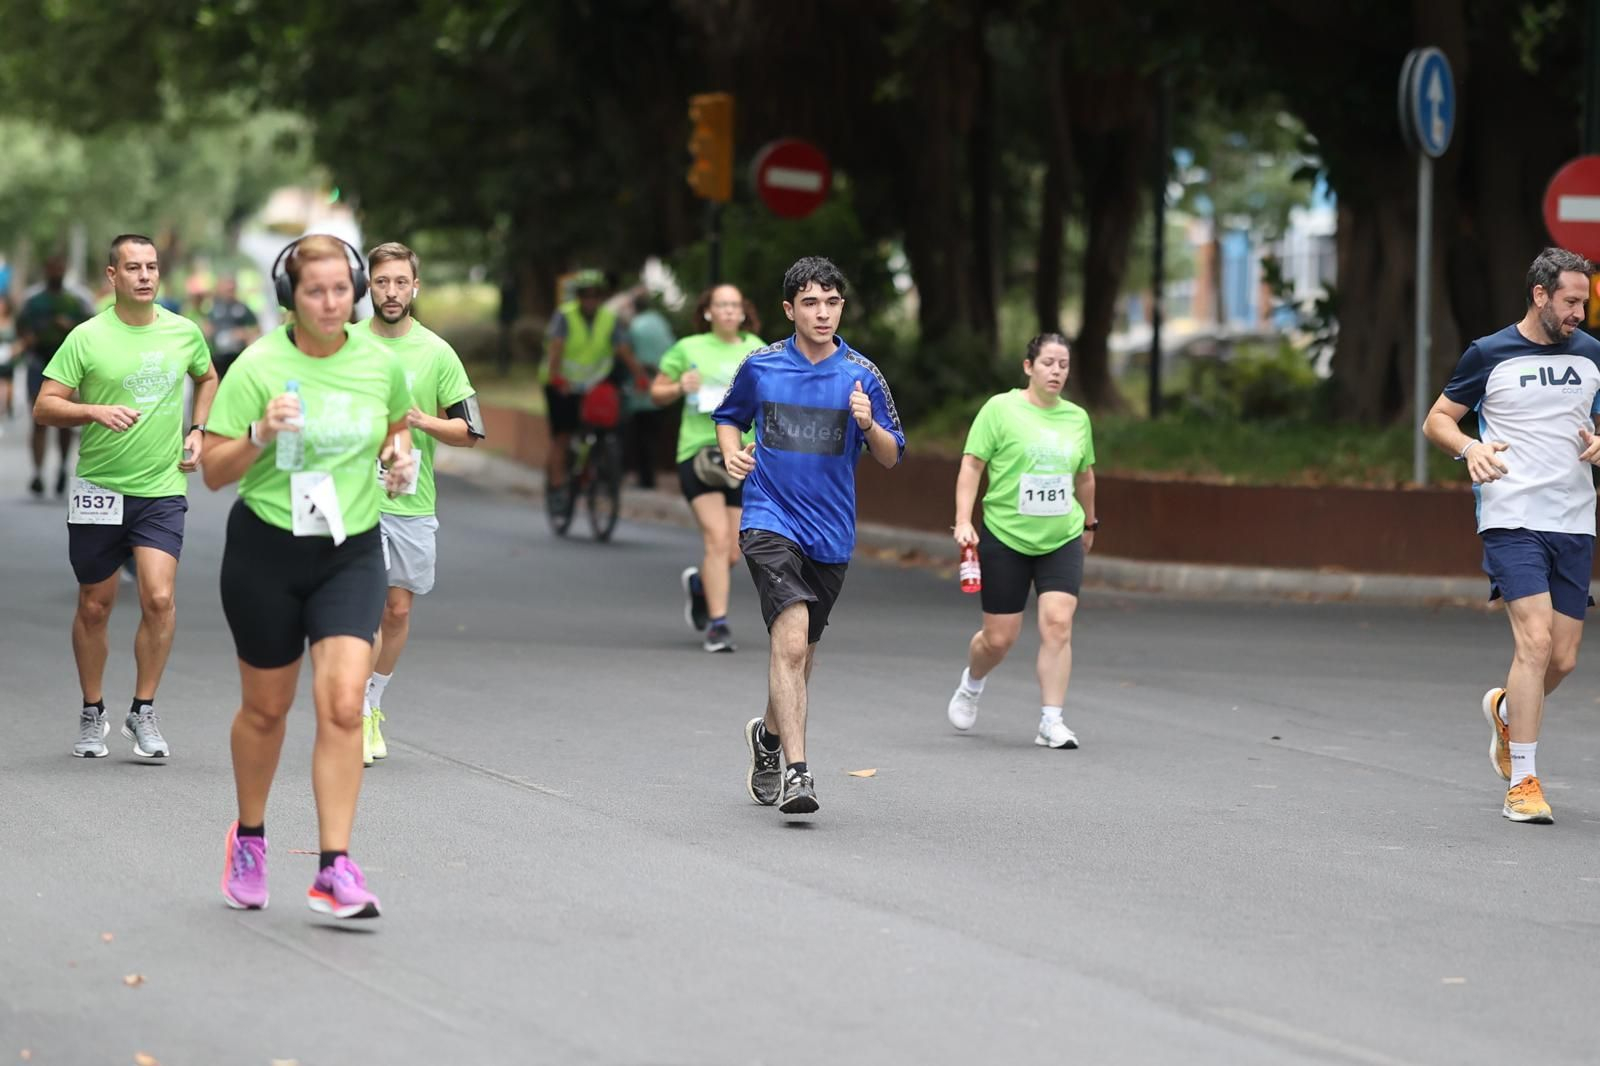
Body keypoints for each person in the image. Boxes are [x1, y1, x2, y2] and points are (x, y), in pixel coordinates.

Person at [202, 234, 415, 918]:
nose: (330, 302)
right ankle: (251, 838)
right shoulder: (257, 366)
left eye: (339, 289)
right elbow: (211, 471)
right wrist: (260, 434)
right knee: (267, 709)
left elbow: (396, 429)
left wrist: (402, 458)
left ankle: (335, 867)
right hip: (266, 549)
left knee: (344, 702)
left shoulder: (380, 363)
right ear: (289, 298)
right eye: (314, 291)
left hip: (349, 548)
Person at [714, 256, 904, 815]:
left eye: (832, 302)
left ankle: (768, 739)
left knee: (800, 653)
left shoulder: (862, 374)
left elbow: (893, 457)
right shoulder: (762, 366)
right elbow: (729, 415)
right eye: (811, 303)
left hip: (831, 532)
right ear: (789, 309)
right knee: (791, 641)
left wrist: (868, 425)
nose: (823, 313)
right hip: (769, 518)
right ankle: (799, 773)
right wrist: (731, 453)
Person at [1423, 246, 1600, 826]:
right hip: (1511, 514)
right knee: (1536, 642)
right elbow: (1438, 419)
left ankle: (1506, 712)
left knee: (1566, 659)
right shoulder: (1490, 353)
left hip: (1574, 520)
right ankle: (1523, 781)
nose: (1580, 312)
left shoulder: (1593, 356)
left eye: (1586, 301)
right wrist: (1471, 448)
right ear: (1540, 294)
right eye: (1571, 301)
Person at [33, 235, 216, 759]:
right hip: (100, 488)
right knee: (95, 605)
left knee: (159, 597)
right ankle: (93, 712)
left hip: (161, 488)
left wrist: (200, 429)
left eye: (152, 267)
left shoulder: (184, 332)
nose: (145, 276)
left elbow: (208, 377)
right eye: (132, 267)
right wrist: (93, 411)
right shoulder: (87, 338)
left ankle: (144, 710)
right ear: (111, 276)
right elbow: (46, 406)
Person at [359, 241, 484, 766]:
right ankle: (354, 715)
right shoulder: (345, 344)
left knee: (397, 607)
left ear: (416, 287)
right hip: (351, 498)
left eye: (400, 283)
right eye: (382, 282)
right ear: (370, 284)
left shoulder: (436, 352)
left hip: (411, 497)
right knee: (363, 605)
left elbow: (471, 429)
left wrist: (421, 420)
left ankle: (372, 700)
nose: (391, 292)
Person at [946, 333, 1098, 749]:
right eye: (1048, 363)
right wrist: (963, 520)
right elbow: (972, 466)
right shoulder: (1000, 409)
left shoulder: (1076, 418)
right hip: (1006, 535)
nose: (1056, 372)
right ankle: (972, 682)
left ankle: (1052, 720)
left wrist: (1089, 523)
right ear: (1028, 367)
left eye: (1064, 365)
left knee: (1058, 624)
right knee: (999, 638)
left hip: (1060, 536)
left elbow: (1084, 476)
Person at [651, 284, 763, 652]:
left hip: (741, 456)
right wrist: (680, 386)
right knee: (716, 539)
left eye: (735, 305)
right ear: (708, 312)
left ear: (744, 312)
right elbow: (656, 391)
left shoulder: (757, 350)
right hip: (698, 454)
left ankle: (701, 584)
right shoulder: (689, 348)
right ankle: (718, 625)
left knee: (733, 551)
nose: (729, 311)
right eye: (722, 305)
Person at [540, 270, 650, 510]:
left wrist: (640, 376)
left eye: (595, 296)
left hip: (593, 383)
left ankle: (599, 466)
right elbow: (555, 349)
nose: (590, 300)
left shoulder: (608, 319)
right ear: (578, 297)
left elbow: (623, 350)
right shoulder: (565, 316)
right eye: (585, 296)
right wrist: (556, 377)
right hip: (562, 383)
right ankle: (558, 486)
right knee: (563, 435)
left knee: (604, 424)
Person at [18, 255, 92, 496]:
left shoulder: (75, 301)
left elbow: (89, 327)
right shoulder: (34, 301)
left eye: (59, 267)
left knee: (65, 422)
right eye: (52, 267)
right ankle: (38, 473)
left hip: (68, 368)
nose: (56, 272)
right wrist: (27, 338)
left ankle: (61, 467)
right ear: (46, 270)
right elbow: (21, 324)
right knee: (38, 420)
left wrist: (67, 325)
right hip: (39, 363)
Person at [626, 291, 675, 489]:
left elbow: (629, 354)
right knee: (652, 436)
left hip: (640, 389)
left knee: (640, 436)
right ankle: (650, 477)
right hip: (663, 385)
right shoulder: (660, 322)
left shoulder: (635, 326)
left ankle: (644, 479)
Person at [203, 274, 261, 380]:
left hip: (237, 355)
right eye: (227, 288)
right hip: (218, 356)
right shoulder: (214, 308)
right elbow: (206, 326)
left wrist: (243, 333)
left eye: (232, 289)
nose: (229, 291)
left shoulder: (242, 308)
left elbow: (256, 329)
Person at [0, 294, 16, 420]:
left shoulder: (12, 322)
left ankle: (9, 406)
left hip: (8, 357)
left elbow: (20, 339)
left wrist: (14, 350)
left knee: (9, 383)